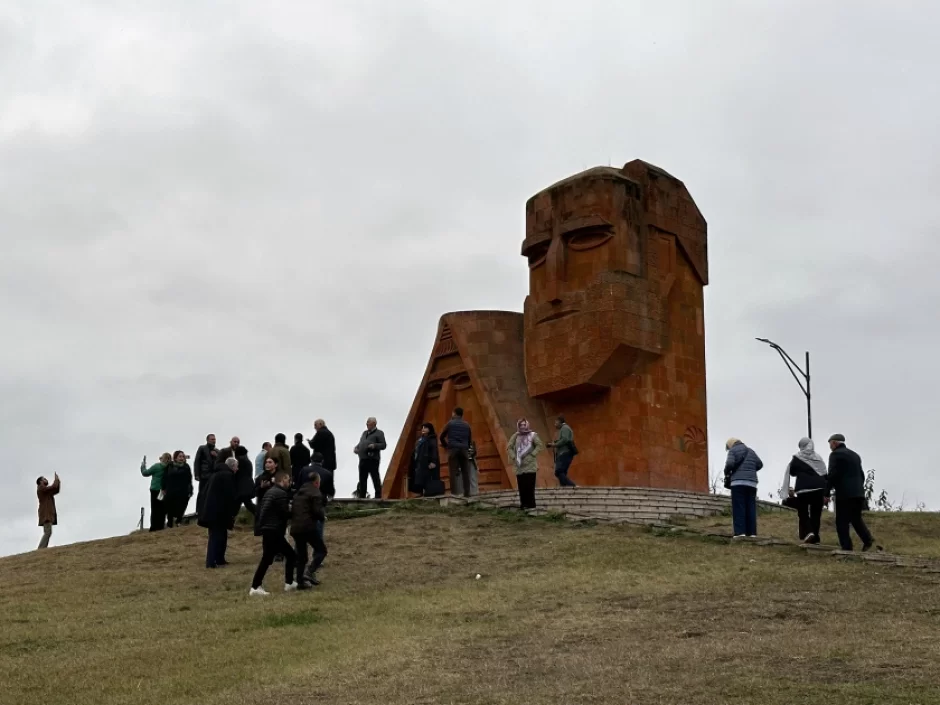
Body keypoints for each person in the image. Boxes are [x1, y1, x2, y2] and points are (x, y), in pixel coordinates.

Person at [827, 433, 879, 552]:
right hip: (858, 493)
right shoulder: (855, 455)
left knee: (841, 521)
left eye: (830, 444)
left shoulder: (835, 455)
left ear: (834, 443)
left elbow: (832, 475)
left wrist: (826, 492)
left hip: (844, 493)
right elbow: (861, 474)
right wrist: (859, 488)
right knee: (855, 518)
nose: (830, 446)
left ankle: (846, 548)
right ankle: (868, 540)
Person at [250, 471, 298, 595]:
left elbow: (262, 510)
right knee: (290, 555)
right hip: (275, 530)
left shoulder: (269, 492)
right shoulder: (281, 494)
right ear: (282, 480)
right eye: (287, 479)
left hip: (267, 528)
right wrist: (293, 512)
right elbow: (284, 513)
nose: (289, 482)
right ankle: (288, 582)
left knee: (267, 558)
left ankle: (256, 586)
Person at [778, 437, 828, 544]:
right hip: (819, 488)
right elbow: (824, 473)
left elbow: (792, 472)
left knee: (803, 512)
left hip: (803, 489)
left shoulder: (797, 457)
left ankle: (809, 532)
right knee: (816, 513)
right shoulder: (818, 457)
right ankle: (815, 538)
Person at [197, 457, 238, 569]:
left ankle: (219, 559)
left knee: (220, 535)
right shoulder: (227, 476)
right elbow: (230, 495)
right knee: (216, 536)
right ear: (232, 466)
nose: (237, 469)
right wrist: (232, 512)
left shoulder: (215, 474)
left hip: (210, 511)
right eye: (236, 466)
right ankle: (211, 562)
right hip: (219, 512)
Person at [291, 471, 328, 588]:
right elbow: (317, 511)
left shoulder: (298, 493)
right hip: (308, 527)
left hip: (296, 527)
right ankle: (309, 572)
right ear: (317, 482)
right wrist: (323, 516)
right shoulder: (316, 493)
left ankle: (300, 582)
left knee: (302, 556)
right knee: (321, 550)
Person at [723, 438, 763, 538]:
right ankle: (752, 533)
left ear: (730, 445)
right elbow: (760, 464)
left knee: (739, 507)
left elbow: (729, 464)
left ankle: (740, 533)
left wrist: (727, 472)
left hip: (738, 483)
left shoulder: (733, 451)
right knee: (751, 508)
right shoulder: (751, 451)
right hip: (752, 483)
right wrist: (750, 470)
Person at [507, 419, 544, 510]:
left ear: (527, 425)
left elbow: (539, 445)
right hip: (519, 465)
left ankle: (531, 505)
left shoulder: (533, 435)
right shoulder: (515, 436)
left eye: (524, 424)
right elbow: (509, 447)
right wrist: (513, 457)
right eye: (521, 425)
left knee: (529, 485)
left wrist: (533, 454)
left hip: (530, 465)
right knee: (521, 486)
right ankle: (523, 504)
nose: (522, 427)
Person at [440, 407, 474, 496]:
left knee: (453, 472)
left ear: (454, 413)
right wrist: (466, 447)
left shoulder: (450, 424)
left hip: (453, 449)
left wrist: (446, 446)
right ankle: (467, 493)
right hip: (464, 450)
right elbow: (470, 439)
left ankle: (454, 493)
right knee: (465, 472)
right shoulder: (467, 425)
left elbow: (441, 436)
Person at [353, 417, 386, 499]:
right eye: (367, 422)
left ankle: (378, 496)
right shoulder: (364, 433)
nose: (367, 424)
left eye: (369, 422)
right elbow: (361, 443)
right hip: (363, 459)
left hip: (373, 459)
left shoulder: (379, 433)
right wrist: (356, 448)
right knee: (362, 479)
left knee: (375, 477)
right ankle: (362, 496)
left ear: (374, 423)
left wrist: (374, 445)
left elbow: (383, 445)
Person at [140, 452, 171, 531]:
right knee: (162, 509)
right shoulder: (170, 467)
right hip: (164, 491)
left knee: (154, 509)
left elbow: (145, 473)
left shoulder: (156, 466)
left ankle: (154, 527)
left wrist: (143, 466)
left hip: (155, 490)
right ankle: (161, 526)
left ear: (162, 459)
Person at [163, 451, 194, 528]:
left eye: (183, 457)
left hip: (182, 490)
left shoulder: (186, 467)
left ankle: (178, 521)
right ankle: (170, 523)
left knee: (181, 506)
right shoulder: (170, 465)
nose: (181, 458)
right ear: (175, 457)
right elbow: (165, 477)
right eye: (180, 456)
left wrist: (190, 490)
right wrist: (163, 488)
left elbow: (189, 479)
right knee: (169, 507)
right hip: (171, 490)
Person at [410, 423, 441, 496]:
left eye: (425, 428)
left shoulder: (432, 438)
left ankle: (429, 493)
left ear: (429, 429)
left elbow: (434, 450)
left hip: (428, 461)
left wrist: (433, 461)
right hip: (420, 462)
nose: (423, 429)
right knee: (420, 478)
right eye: (422, 428)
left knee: (428, 478)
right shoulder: (420, 439)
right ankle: (421, 493)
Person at [547, 415, 578, 487]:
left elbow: (565, 439)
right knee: (562, 472)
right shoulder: (563, 429)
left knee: (558, 471)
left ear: (559, 421)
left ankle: (572, 485)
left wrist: (554, 445)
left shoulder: (565, 428)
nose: (555, 424)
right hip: (563, 453)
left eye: (556, 422)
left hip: (564, 453)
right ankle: (564, 487)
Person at [194, 434, 218, 515]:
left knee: (211, 493)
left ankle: (208, 510)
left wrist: (216, 456)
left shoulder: (217, 451)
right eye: (212, 439)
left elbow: (220, 462)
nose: (214, 441)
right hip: (204, 475)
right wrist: (196, 474)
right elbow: (197, 461)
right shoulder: (202, 448)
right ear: (207, 440)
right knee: (202, 492)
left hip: (213, 475)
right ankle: (199, 510)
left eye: (214, 439)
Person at [254, 456, 278, 534]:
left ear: (276, 464)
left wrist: (276, 484)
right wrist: (261, 487)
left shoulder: (280, 477)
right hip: (264, 509)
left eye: (270, 462)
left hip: (276, 509)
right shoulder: (260, 477)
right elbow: (255, 492)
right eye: (266, 462)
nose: (267, 464)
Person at [36, 473, 61, 550]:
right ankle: (41, 548)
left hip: (47, 514)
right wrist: (56, 480)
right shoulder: (41, 488)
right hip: (45, 514)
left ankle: (42, 548)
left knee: (48, 532)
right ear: (40, 481)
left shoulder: (46, 491)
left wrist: (58, 482)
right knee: (48, 532)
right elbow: (53, 487)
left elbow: (55, 490)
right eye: (44, 479)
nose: (46, 479)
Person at [234, 445, 257, 516]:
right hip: (248, 486)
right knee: (245, 503)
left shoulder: (239, 462)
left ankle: (260, 514)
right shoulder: (247, 461)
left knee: (240, 504)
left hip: (242, 487)